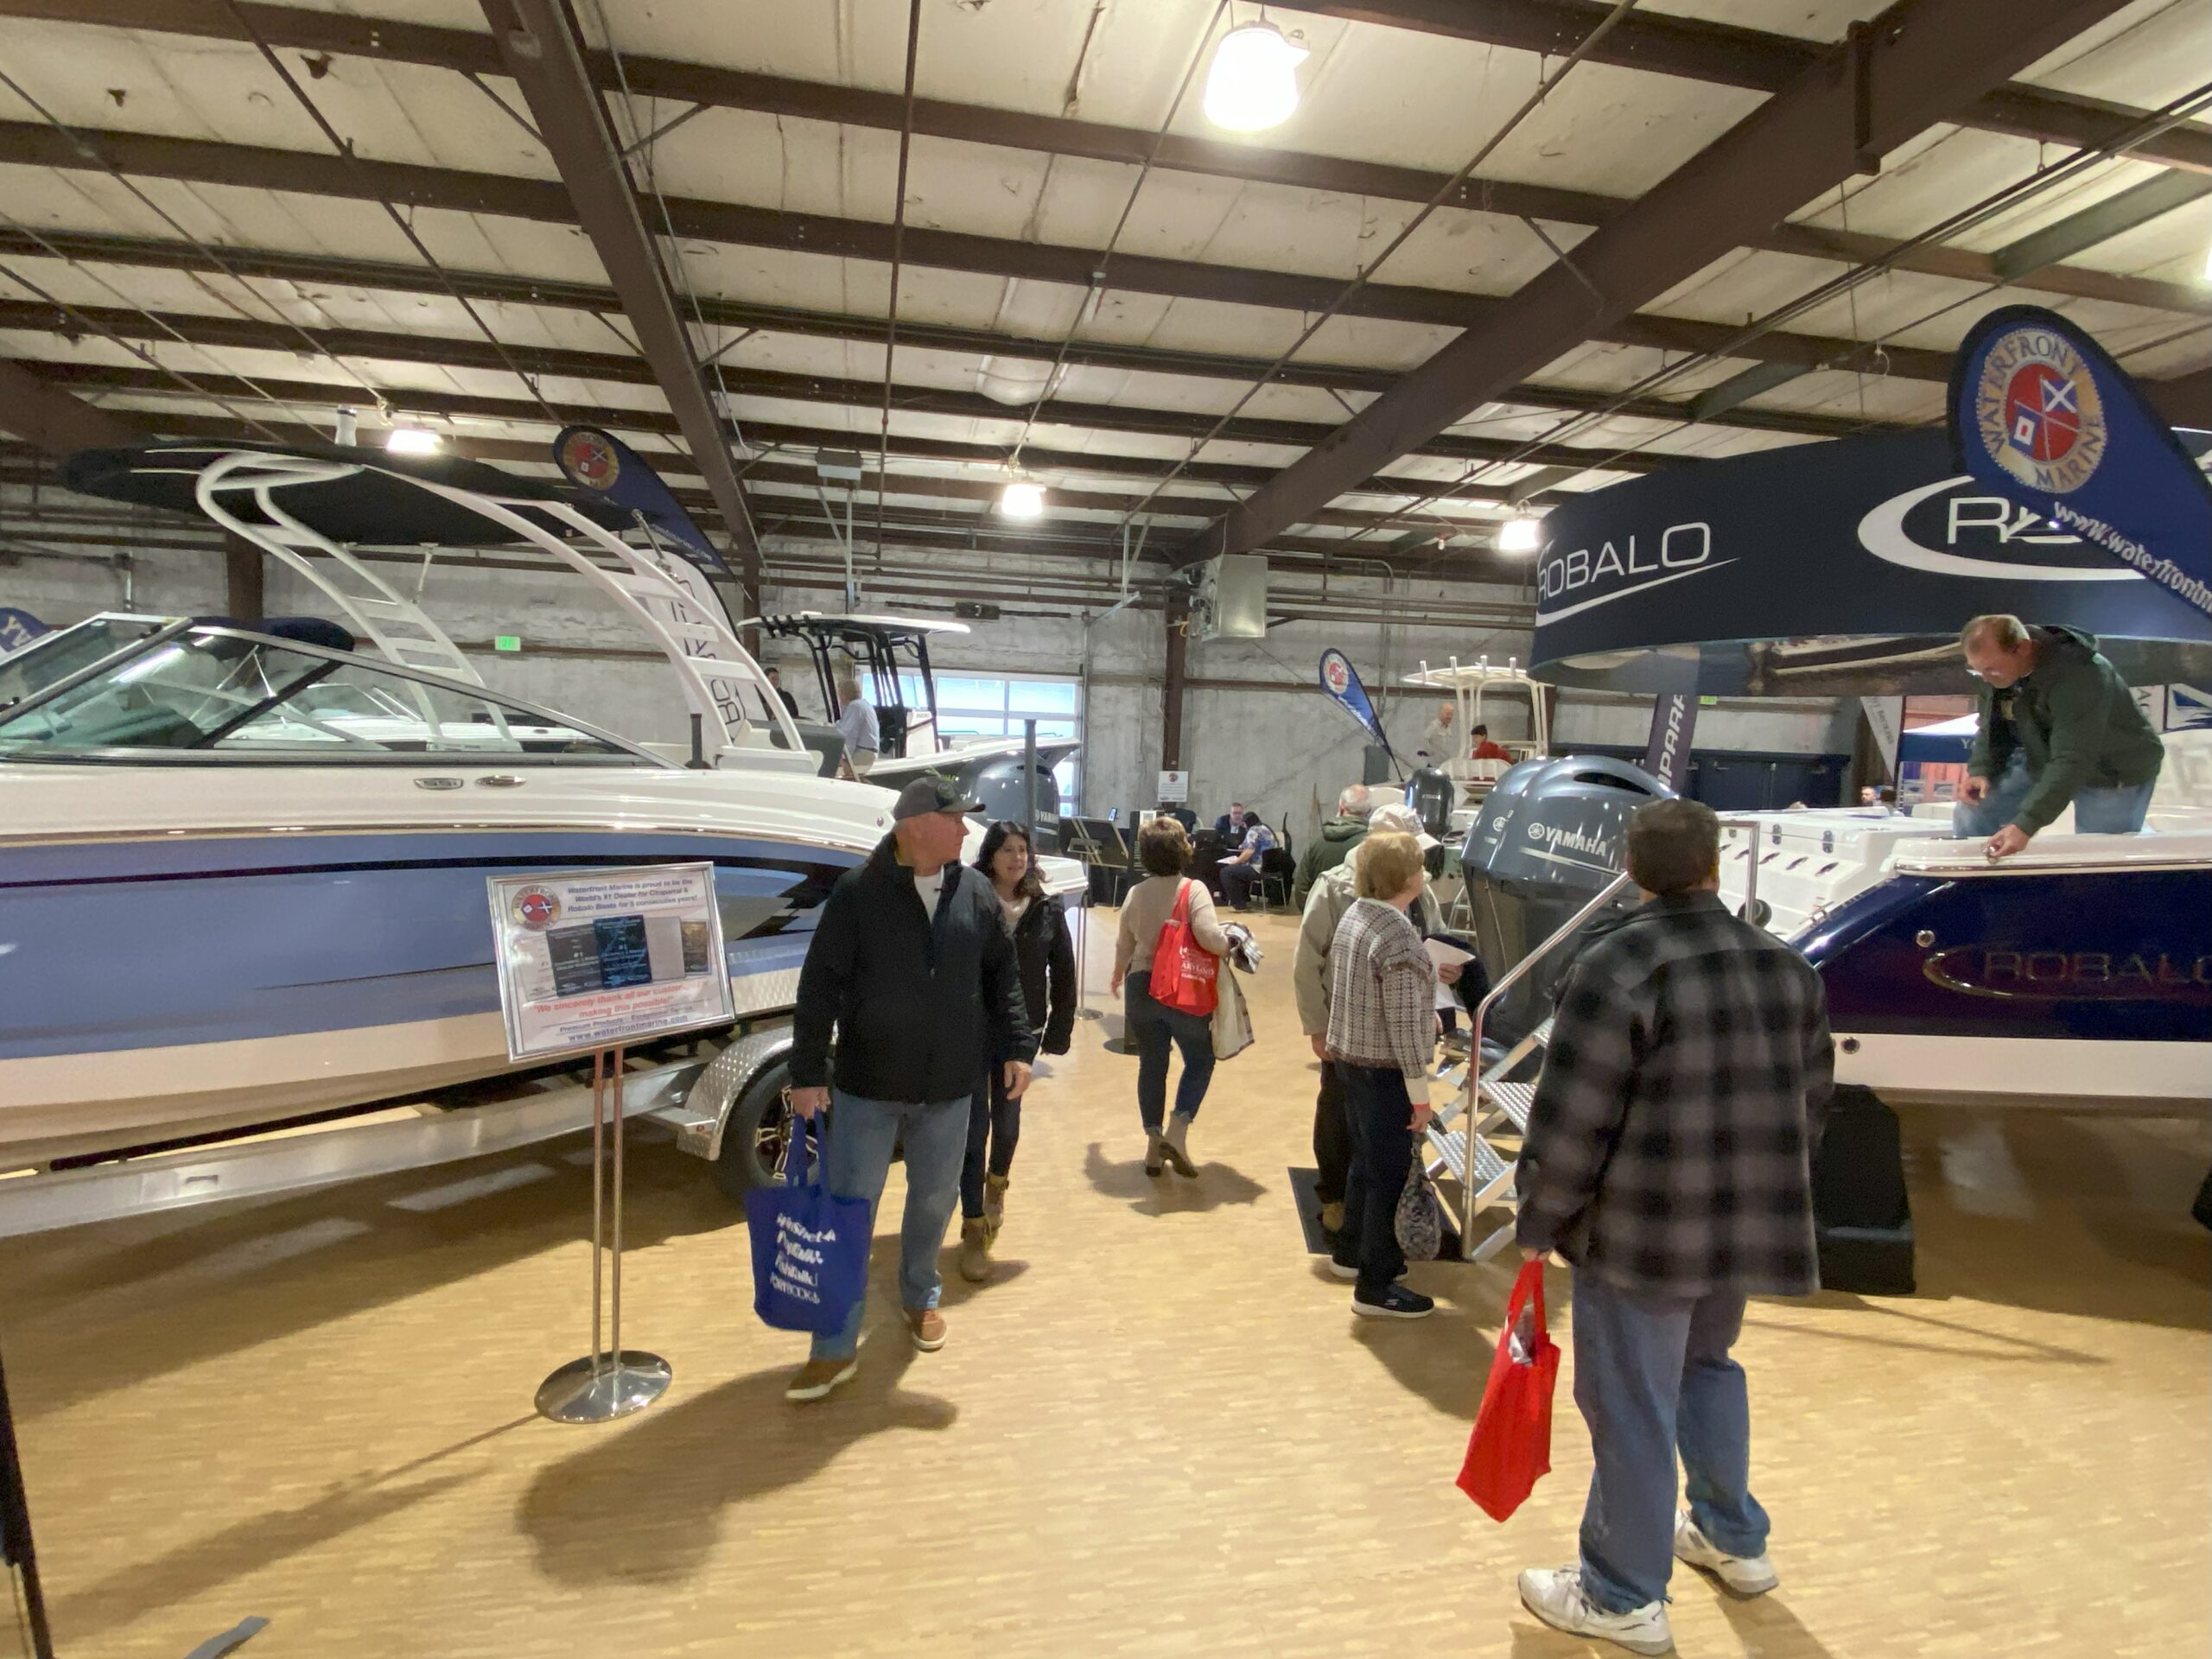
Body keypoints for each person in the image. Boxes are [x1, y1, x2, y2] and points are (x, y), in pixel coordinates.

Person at [1511, 798, 1833, 1654]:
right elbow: (1812, 1107)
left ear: (1632, 869)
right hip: (1741, 1225)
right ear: (1714, 866)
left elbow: (1572, 1115)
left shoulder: (1619, 965)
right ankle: (1732, 1538)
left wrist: (1539, 1218)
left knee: (1629, 1405)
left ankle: (1620, 1593)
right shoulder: (1785, 967)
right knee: (1708, 1368)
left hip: (1641, 1234)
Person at [781, 776, 1036, 1403]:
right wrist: (808, 1074)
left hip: (950, 1088)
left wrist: (1019, 1047)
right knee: (849, 1213)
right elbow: (820, 987)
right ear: (918, 825)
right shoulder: (858, 895)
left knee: (932, 1203)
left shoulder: (974, 892)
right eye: (955, 819)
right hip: (868, 1087)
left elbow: (1003, 978)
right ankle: (833, 1346)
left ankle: (920, 1295)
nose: (966, 830)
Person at [1294, 803, 1462, 1241]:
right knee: (1339, 1115)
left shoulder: (1418, 897)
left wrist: (1445, 971)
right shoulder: (1335, 891)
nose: (1424, 870)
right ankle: (1336, 1200)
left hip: (1392, 1029)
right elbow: (1308, 960)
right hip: (1352, 1030)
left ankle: (1363, 1225)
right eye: (1414, 860)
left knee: (1376, 1143)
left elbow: (1432, 943)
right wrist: (1317, 1025)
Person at [1321, 831, 1440, 1319]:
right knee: (1389, 1174)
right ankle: (1376, 1284)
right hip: (1385, 1073)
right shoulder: (1397, 936)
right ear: (1408, 877)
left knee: (1364, 1165)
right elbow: (1405, 1029)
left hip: (1348, 1059)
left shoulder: (1356, 915)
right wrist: (1421, 1095)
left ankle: (1350, 1250)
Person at [957, 820, 1076, 1283]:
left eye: (1024, 850)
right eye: (1008, 849)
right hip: (970, 1029)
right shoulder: (969, 897)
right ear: (990, 854)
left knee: (1006, 1125)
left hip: (1020, 1033)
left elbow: (1063, 973)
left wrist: (1058, 1033)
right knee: (973, 1129)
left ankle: (997, 1186)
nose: (1017, 858)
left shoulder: (1046, 908)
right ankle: (972, 1226)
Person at [1954, 615, 2164, 860]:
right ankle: (1969, 881)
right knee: (1974, 808)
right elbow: (1991, 725)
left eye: (1990, 669)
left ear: (2023, 648)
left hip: (2112, 768)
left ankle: (2145, 852)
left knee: (2099, 856)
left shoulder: (2082, 674)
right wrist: (1982, 769)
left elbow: (2074, 758)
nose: (1986, 678)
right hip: (2042, 756)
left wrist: (2026, 824)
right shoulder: (1995, 674)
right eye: (1976, 670)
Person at [1112, 817, 1230, 1178]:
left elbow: (1125, 942)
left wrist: (1118, 972)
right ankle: (1177, 1132)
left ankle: (1152, 1143)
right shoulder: (1192, 890)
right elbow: (1210, 937)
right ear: (1183, 849)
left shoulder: (1136, 892)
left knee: (1152, 1064)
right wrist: (1234, 941)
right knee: (1200, 1059)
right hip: (1181, 989)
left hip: (1141, 987)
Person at [1293, 784, 1371, 908]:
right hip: (1357, 921)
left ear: (1341, 806)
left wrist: (1314, 915)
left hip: (1319, 919)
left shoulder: (1316, 842)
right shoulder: (1373, 846)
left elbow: (1301, 888)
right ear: (1369, 811)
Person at [1218, 808, 1279, 912]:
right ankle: (1245, 898)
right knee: (1239, 870)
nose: (1244, 826)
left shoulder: (1253, 830)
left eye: (1245, 824)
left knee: (1226, 872)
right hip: (1271, 869)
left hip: (1258, 869)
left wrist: (1235, 862)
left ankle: (1239, 904)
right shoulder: (1266, 828)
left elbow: (1249, 852)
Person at [834, 672, 880, 777]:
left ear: (844, 695)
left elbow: (848, 735)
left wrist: (844, 759)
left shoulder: (855, 707)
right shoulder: (865, 705)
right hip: (870, 752)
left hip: (862, 753)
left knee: (827, 764)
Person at [1421, 701, 1459, 766]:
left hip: (1448, 764)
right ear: (1440, 713)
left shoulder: (1450, 728)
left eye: (1451, 714)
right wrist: (1432, 754)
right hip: (1436, 765)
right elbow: (1424, 741)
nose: (1450, 717)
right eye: (1447, 714)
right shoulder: (1433, 726)